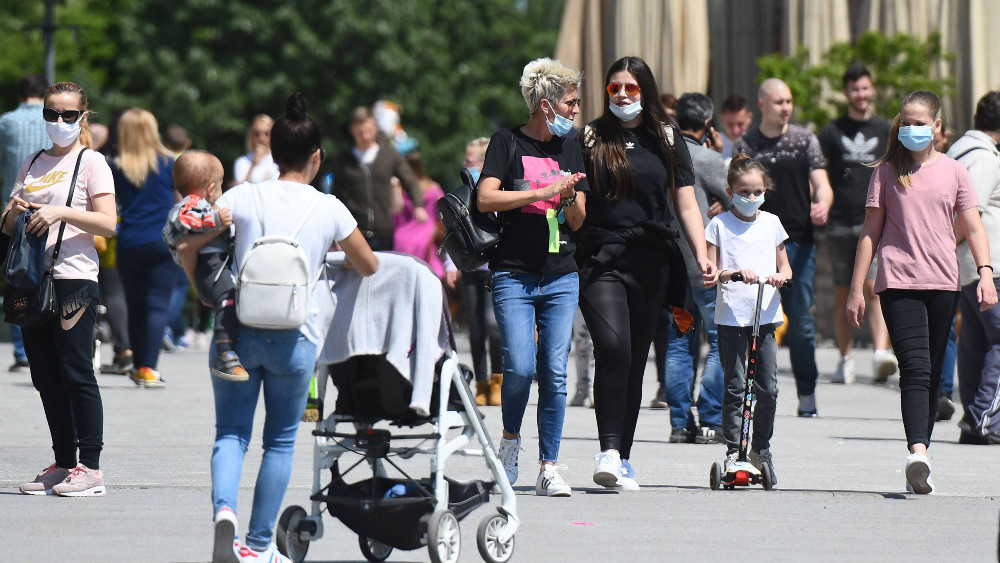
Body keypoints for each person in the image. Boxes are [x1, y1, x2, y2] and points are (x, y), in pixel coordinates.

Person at [183, 93, 377, 562]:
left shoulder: (243, 196)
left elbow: (189, 242)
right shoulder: (328, 207)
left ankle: (224, 515)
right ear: (316, 158)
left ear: (270, 153)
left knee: (231, 433)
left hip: (238, 329)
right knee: (280, 441)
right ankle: (257, 546)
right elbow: (367, 264)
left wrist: (203, 289)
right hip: (297, 334)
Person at [847, 91, 998, 493]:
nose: (912, 129)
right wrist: (855, 289)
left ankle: (922, 447)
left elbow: (974, 226)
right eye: (906, 122)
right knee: (914, 368)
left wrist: (985, 273)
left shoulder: (955, 172)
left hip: (944, 283)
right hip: (898, 282)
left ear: (937, 126)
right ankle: (918, 453)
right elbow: (870, 233)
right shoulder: (886, 172)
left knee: (932, 374)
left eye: (920, 123)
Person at [578, 57, 714, 491]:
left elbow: (687, 203)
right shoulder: (591, 136)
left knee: (635, 360)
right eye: (614, 87)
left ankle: (623, 455)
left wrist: (703, 253)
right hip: (601, 258)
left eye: (631, 88)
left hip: (652, 259)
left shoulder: (667, 137)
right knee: (613, 348)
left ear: (646, 92)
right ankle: (608, 450)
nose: (621, 95)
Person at [478, 57, 587, 497]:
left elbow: (579, 220)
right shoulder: (507, 142)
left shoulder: (572, 144)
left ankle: (548, 465)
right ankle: (509, 438)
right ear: (546, 106)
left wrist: (569, 195)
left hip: (561, 273)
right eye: (571, 101)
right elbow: (485, 198)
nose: (576, 109)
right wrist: (542, 191)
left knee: (555, 372)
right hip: (514, 274)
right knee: (520, 366)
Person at [6, 81, 117, 496]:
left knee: (76, 372)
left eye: (69, 115)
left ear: (83, 117)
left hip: (74, 277)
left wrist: (58, 213)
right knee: (44, 375)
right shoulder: (33, 161)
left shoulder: (92, 163)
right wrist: (14, 213)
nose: (60, 121)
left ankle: (91, 467)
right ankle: (64, 461)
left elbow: (108, 223)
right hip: (32, 279)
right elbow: (5, 223)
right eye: (52, 114)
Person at [733, 78, 833, 417]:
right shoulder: (746, 142)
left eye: (789, 101)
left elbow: (822, 183)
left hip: (798, 243)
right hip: (753, 243)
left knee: (802, 322)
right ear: (762, 104)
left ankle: (807, 393)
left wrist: (823, 202)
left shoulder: (805, 139)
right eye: (779, 102)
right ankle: (754, 392)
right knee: (753, 321)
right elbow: (732, 186)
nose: (786, 107)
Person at [706, 154, 791, 484]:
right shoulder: (719, 225)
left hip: (765, 313)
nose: (751, 198)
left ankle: (761, 447)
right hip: (732, 315)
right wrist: (734, 273)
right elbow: (712, 273)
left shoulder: (771, 223)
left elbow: (786, 267)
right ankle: (733, 449)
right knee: (737, 384)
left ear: (765, 190)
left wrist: (780, 277)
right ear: (730, 191)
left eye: (757, 191)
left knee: (767, 387)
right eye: (744, 191)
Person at [817, 63, 895, 384]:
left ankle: (880, 354)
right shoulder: (831, 132)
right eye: (854, 89)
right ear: (846, 92)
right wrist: (818, 201)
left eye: (865, 88)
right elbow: (818, 173)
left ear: (872, 89)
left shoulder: (885, 129)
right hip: (839, 222)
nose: (861, 94)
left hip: (877, 223)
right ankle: (845, 358)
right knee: (841, 293)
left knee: (876, 290)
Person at [662, 93, 732, 444]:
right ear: (707, 123)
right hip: (706, 270)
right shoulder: (707, 159)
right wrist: (721, 154)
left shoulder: (663, 158)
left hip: (672, 272)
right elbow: (744, 197)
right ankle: (709, 416)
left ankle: (678, 422)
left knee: (679, 343)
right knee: (720, 343)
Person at [111, 108, 183, 388]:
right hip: (163, 242)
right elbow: (180, 200)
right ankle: (147, 368)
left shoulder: (116, 166)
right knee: (157, 306)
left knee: (135, 305)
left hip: (129, 242)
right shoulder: (169, 163)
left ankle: (139, 364)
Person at [162, 150, 245, 380]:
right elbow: (186, 220)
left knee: (229, 299)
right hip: (210, 265)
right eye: (219, 186)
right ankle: (225, 352)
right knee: (227, 299)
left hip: (213, 264)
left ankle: (228, 348)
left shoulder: (197, 204)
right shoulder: (190, 205)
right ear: (210, 189)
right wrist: (218, 220)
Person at [948, 91, 1000, 444]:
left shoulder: (958, 150)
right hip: (987, 265)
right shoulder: (984, 157)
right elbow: (972, 213)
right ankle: (984, 417)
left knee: (975, 342)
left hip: (966, 266)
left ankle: (973, 419)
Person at [0, 74, 51, 372]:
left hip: (14, 210)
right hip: (52, 209)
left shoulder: (6, 122)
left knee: (18, 276)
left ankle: (22, 351)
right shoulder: (53, 125)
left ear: (20, 95)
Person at [331, 106, 426, 251]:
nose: (365, 137)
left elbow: (410, 181)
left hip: (384, 231)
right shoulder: (344, 160)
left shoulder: (389, 155)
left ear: (375, 127)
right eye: (360, 133)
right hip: (354, 231)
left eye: (368, 131)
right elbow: (336, 194)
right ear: (352, 131)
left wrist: (418, 205)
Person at [459, 137, 504, 406]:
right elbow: (455, 230)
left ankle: (498, 379)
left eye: (473, 161)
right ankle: (482, 382)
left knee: (492, 324)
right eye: (467, 161)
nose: (469, 166)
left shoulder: (498, 188)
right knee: (475, 328)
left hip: (493, 266)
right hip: (469, 267)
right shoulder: (463, 190)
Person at [393, 151, 445, 276]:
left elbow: (395, 211)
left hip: (402, 237)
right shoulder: (434, 188)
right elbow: (445, 212)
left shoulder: (400, 189)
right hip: (428, 236)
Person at [233, 114, 280, 185]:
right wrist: (253, 165)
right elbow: (240, 189)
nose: (261, 138)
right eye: (257, 134)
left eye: (266, 133)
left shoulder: (280, 160)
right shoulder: (242, 162)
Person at [719, 95, 753, 160]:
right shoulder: (712, 147)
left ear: (750, 118)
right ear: (722, 119)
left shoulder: (757, 146)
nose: (735, 130)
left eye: (740, 124)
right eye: (730, 125)